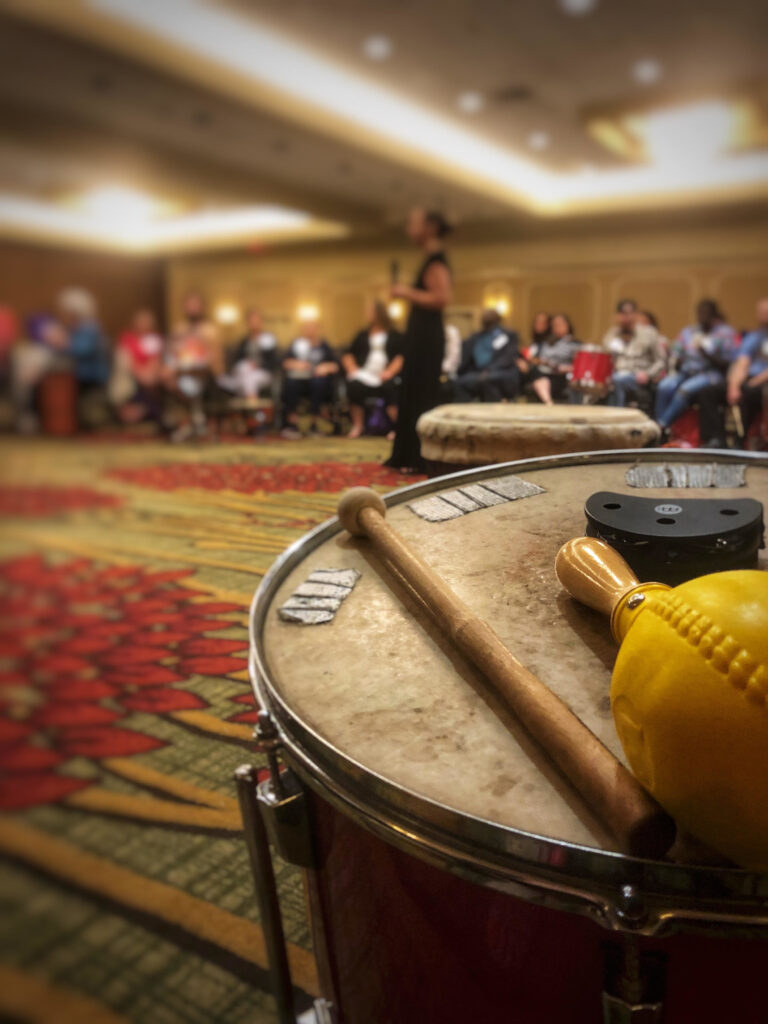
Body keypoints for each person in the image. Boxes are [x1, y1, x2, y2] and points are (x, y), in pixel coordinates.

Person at [384, 208, 453, 472]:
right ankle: (408, 455)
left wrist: (405, 292)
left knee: (421, 394)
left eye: (413, 223)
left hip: (427, 338)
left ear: (431, 227)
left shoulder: (436, 260)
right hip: (421, 335)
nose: (408, 229)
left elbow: (441, 298)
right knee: (412, 391)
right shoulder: (430, 259)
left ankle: (418, 458)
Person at [655, 299, 738, 445]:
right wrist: (676, 358)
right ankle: (661, 429)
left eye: (705, 314)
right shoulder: (689, 332)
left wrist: (704, 351)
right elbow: (676, 353)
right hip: (687, 371)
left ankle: (661, 425)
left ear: (713, 315)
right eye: (699, 313)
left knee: (685, 390)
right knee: (664, 386)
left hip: (711, 374)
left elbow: (727, 363)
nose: (702, 317)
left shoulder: (724, 333)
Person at [342, 302, 404, 439]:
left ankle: (397, 427)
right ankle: (358, 425)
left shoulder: (395, 335)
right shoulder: (362, 334)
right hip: (365, 374)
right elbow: (348, 354)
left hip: (386, 375)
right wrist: (352, 369)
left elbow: (401, 357)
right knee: (354, 387)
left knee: (392, 389)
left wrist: (390, 372)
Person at [166, 291, 221, 441]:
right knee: (168, 381)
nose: (192, 308)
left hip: (205, 375)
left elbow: (215, 361)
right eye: (189, 305)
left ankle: (202, 424)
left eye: (195, 305)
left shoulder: (210, 330)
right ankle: (183, 424)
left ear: (202, 307)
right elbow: (172, 353)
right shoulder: (179, 329)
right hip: (182, 374)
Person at [57, 288, 110, 421]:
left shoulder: (89, 327)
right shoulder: (73, 328)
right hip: (80, 373)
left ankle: (92, 425)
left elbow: (84, 350)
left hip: (92, 373)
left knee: (90, 404)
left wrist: (64, 344)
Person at [280, 320, 339, 439]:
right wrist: (297, 364)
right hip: (299, 380)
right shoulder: (296, 344)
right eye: (307, 327)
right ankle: (292, 423)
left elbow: (336, 365)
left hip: (318, 380)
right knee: (290, 383)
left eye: (312, 327)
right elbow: (284, 363)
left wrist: (325, 367)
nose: (310, 330)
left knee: (318, 383)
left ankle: (315, 422)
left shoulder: (324, 346)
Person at [603, 299, 666, 407]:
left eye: (629, 313)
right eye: (623, 314)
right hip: (615, 374)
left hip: (636, 376)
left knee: (617, 380)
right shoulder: (611, 334)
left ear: (636, 315)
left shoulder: (648, 333)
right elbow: (605, 358)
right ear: (617, 316)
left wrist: (648, 374)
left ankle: (615, 416)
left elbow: (661, 361)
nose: (627, 318)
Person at [453, 309, 523, 402]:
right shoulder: (476, 336)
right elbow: (466, 357)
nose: (486, 317)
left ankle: (495, 413)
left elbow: (508, 358)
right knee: (459, 382)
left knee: (487, 380)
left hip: (502, 371)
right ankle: (464, 413)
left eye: (490, 315)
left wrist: (489, 370)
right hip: (478, 372)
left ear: (497, 318)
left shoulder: (509, 335)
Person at [112, 309, 165, 425]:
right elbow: (127, 361)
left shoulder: (154, 339)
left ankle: (143, 411)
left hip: (151, 377)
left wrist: (149, 374)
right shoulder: (127, 338)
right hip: (132, 378)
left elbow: (155, 360)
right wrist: (141, 375)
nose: (143, 325)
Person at [727, 297, 768, 438]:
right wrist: (734, 387)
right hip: (751, 379)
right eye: (760, 311)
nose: (763, 315)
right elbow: (742, 363)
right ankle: (719, 440)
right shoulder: (753, 336)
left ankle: (748, 438)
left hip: (762, 382)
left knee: (751, 393)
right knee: (710, 392)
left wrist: (753, 383)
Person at [218, 308, 278, 399]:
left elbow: (274, 361)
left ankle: (251, 408)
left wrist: (258, 365)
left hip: (263, 373)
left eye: (256, 320)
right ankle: (251, 407)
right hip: (245, 371)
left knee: (248, 380)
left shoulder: (268, 339)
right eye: (251, 320)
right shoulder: (244, 341)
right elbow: (237, 359)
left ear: (260, 321)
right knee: (244, 372)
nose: (253, 323)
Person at [524, 312, 580, 404]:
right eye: (555, 325)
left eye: (561, 324)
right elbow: (541, 359)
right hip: (548, 372)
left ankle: (550, 404)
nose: (558, 327)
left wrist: (567, 368)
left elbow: (579, 365)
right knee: (539, 377)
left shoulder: (575, 344)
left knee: (544, 380)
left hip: (565, 375)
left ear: (568, 325)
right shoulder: (547, 343)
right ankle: (549, 403)